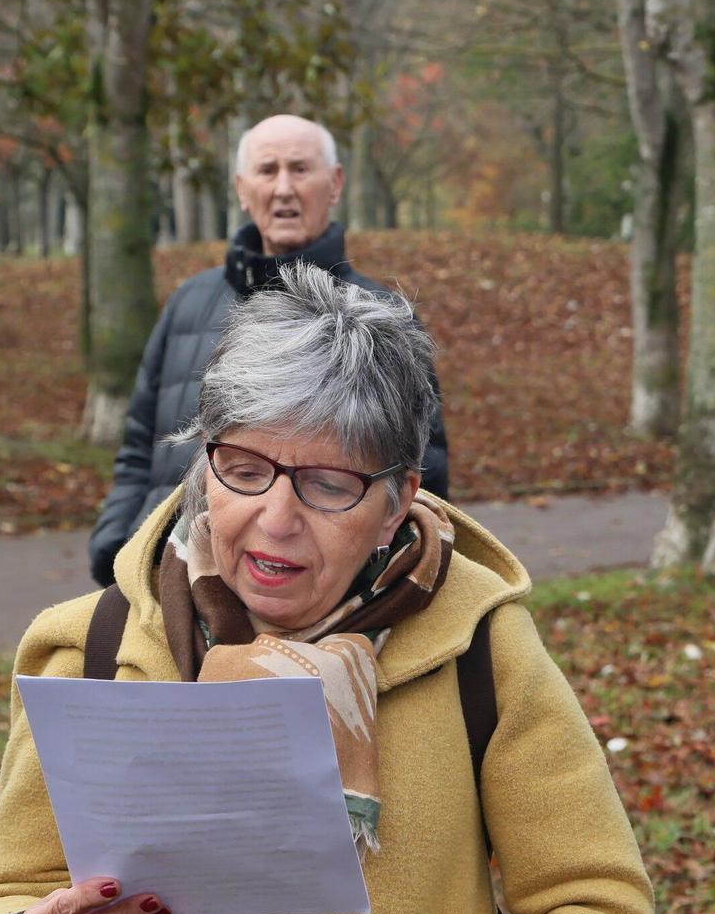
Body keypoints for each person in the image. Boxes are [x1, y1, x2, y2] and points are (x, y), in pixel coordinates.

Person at [0, 264, 652, 914]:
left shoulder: (482, 652)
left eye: (328, 484)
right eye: (244, 470)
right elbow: (4, 893)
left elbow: (600, 907)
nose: (275, 518)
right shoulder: (91, 642)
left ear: (398, 499)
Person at [88, 113, 451, 587]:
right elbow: (139, 445)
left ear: (335, 183)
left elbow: (422, 475)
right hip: (163, 583)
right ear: (242, 189)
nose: (283, 188)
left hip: (312, 595)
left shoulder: (379, 319)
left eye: (300, 169)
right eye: (267, 170)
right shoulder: (188, 303)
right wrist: (114, 544)